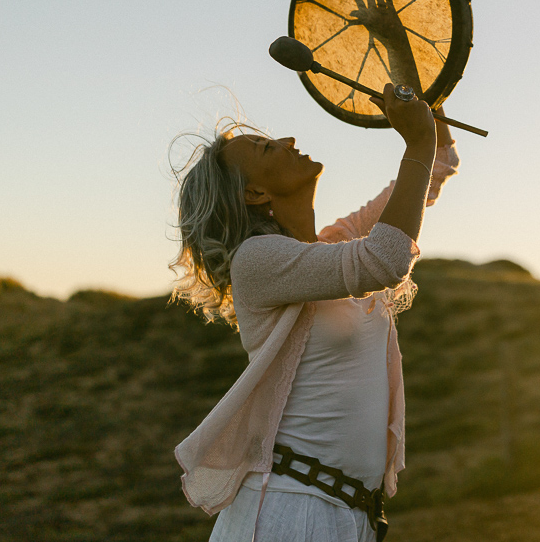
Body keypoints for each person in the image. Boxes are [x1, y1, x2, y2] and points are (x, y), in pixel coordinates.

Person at [170, 81, 459, 542]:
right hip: (290, 511)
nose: (287, 142)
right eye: (267, 148)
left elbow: (437, 164)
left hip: (344, 513)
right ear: (256, 194)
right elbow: (386, 257)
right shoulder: (256, 260)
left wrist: (398, 48)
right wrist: (417, 143)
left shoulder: (326, 248)